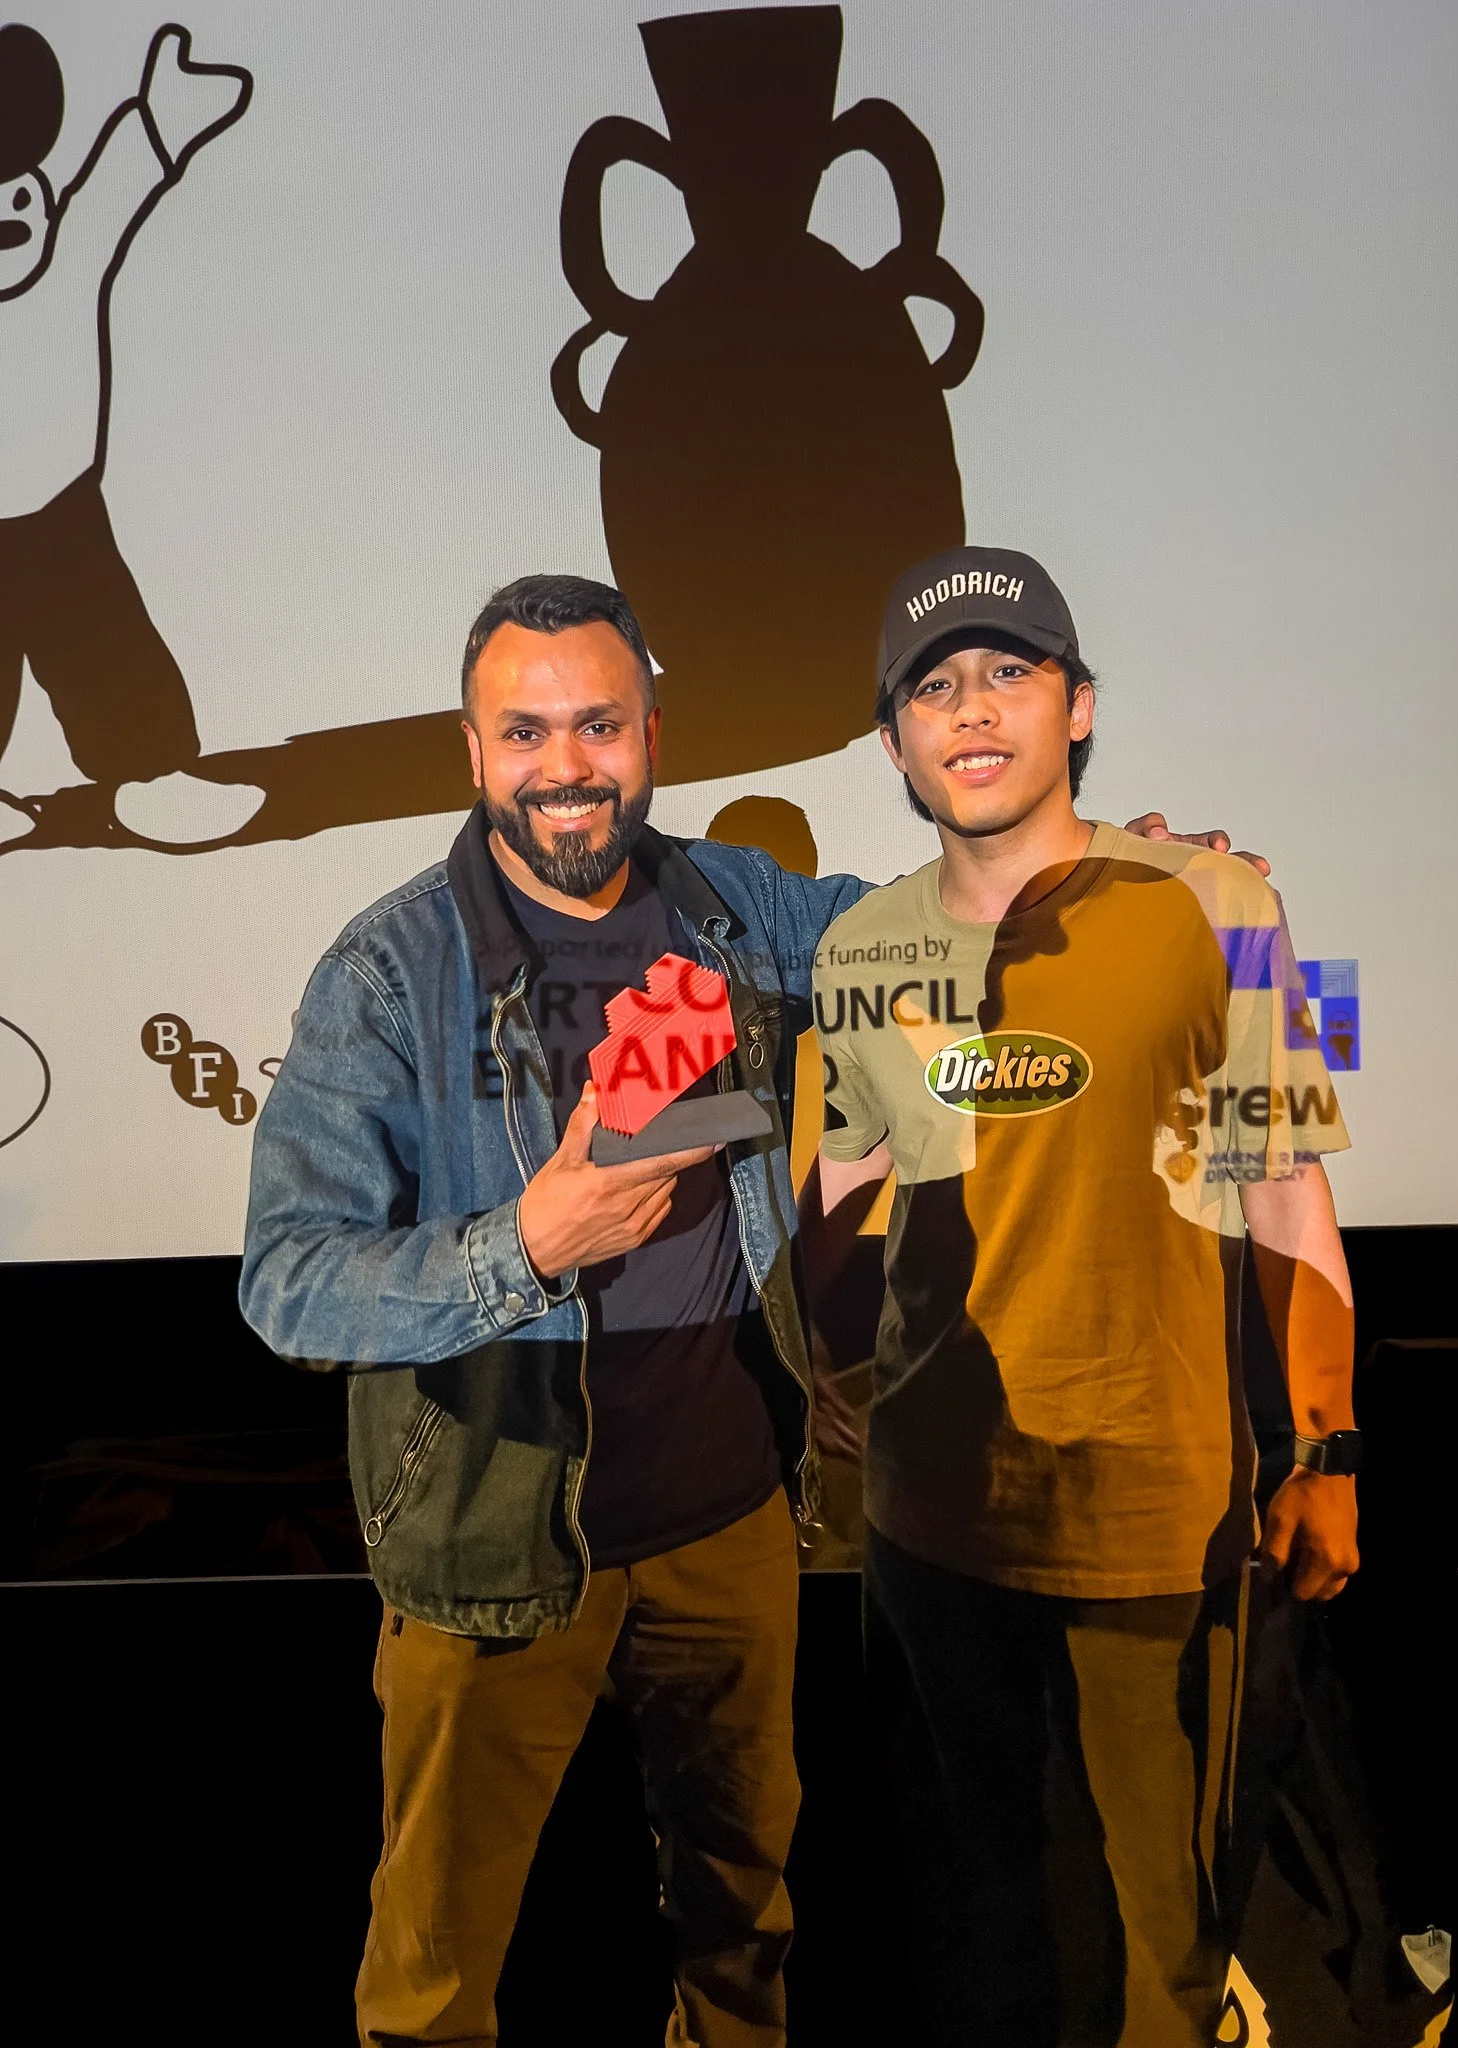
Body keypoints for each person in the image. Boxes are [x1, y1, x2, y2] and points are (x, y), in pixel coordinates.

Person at [240, 570, 1257, 2047]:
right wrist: (524, 1244)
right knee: (435, 1974)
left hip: (730, 1526)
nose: (567, 766)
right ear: (472, 750)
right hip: (497, 1530)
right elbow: (287, 1282)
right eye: (525, 733)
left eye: (599, 725)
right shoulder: (389, 970)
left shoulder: (740, 909)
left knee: (743, 1935)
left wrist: (1107, 867)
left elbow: (941, 923)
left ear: (652, 733)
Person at [801, 545, 1359, 2048]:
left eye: (1009, 671)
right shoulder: (859, 947)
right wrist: (826, 1360)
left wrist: (1326, 1449)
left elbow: (1285, 1188)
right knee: (975, 1918)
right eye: (934, 687)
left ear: (1080, 704)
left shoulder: (1221, 901)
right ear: (893, 741)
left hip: (1157, 1517)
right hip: (932, 1525)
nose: (972, 709)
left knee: (1167, 1930)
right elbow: (840, 1202)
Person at [0, 22, 260, 848]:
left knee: (106, 654)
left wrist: (162, 114)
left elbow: (112, 191)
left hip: (62, 521)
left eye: (20, 197)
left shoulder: (67, 262)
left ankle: (151, 778)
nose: (10, 219)